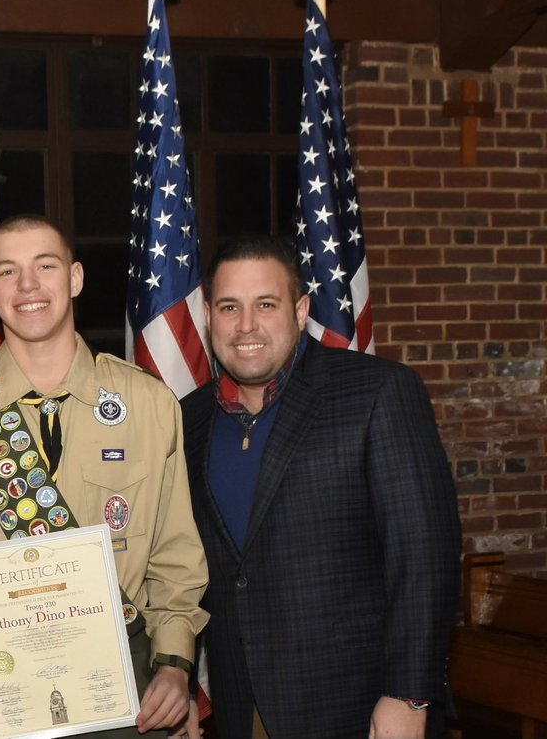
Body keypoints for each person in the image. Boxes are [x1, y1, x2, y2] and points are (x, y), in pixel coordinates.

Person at [0, 215, 209, 739]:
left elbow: (175, 554)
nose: (27, 285)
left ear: (75, 278)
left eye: (45, 266)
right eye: (8, 271)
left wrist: (174, 665)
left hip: (129, 688)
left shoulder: (147, 403)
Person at [180, 235, 461, 739]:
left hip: (360, 707)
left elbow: (425, 555)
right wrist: (183, 685)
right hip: (241, 706)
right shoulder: (191, 418)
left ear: (301, 310)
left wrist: (409, 695)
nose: (246, 325)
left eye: (266, 304)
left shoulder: (377, 392)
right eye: (229, 307)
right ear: (208, 315)